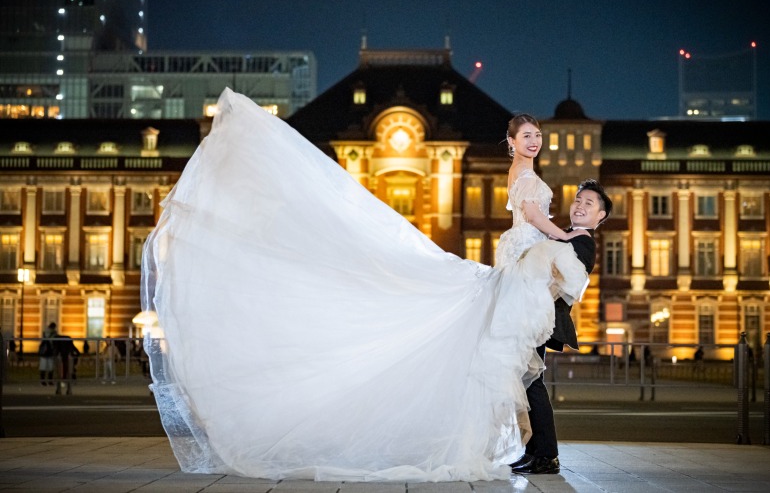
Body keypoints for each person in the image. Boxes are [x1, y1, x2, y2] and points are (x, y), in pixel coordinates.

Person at [140, 89, 589, 482]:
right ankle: (540, 453)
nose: (535, 141)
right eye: (526, 136)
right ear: (511, 142)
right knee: (520, 368)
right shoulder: (526, 178)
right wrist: (564, 235)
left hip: (517, 272)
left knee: (514, 367)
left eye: (538, 135)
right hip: (520, 277)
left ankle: (537, 452)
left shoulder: (519, 173)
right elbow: (532, 217)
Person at [511, 179, 612, 475]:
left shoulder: (581, 242)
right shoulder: (567, 236)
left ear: (600, 216)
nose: (580, 206)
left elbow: (565, 282)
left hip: (541, 317)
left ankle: (546, 455)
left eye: (589, 204)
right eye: (578, 200)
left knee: (532, 382)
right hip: (534, 314)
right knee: (527, 381)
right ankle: (534, 451)